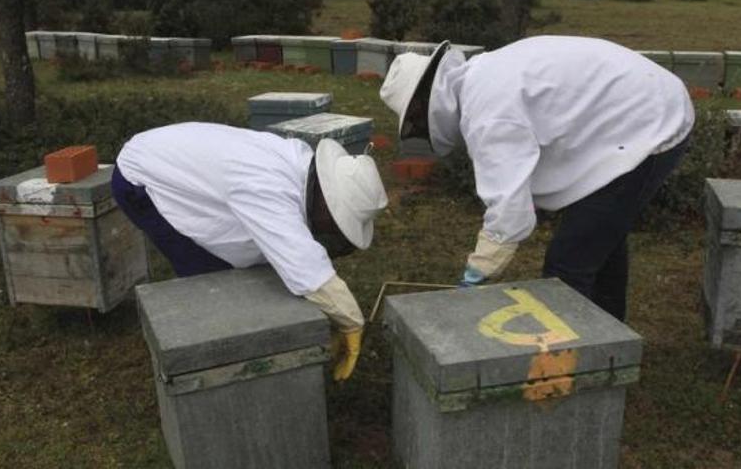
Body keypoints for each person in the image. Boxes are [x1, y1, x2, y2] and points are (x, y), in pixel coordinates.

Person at [380, 36, 695, 321]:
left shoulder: (488, 114)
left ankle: (571, 365)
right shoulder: (483, 76)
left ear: (425, 106)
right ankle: (611, 341)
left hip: (649, 123)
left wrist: (475, 274)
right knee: (596, 239)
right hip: (640, 109)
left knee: (567, 265)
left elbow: (508, 215)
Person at [112, 122, 388, 380]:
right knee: (207, 277)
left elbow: (288, 241)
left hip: (164, 154)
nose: (332, 231)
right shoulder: (265, 187)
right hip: (139, 179)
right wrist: (351, 322)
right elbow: (306, 268)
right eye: (336, 222)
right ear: (327, 201)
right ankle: (213, 365)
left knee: (255, 253)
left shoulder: (296, 161)